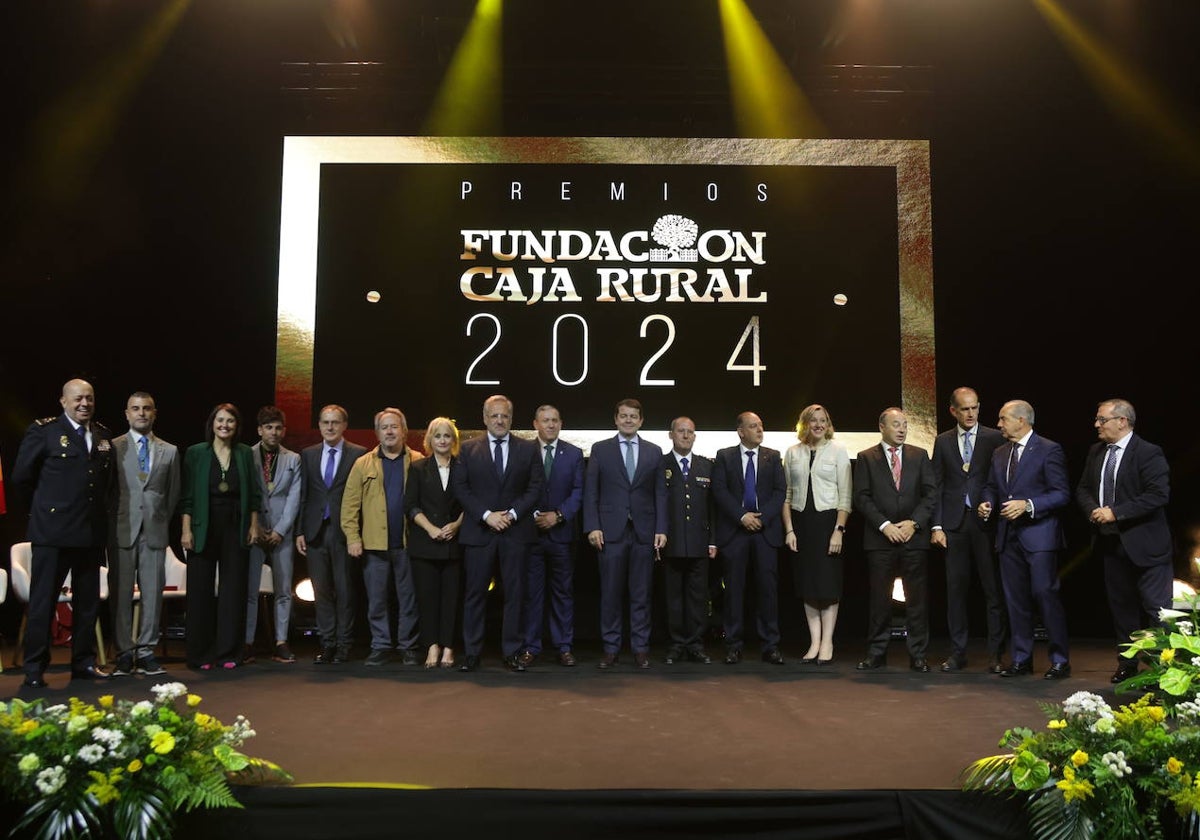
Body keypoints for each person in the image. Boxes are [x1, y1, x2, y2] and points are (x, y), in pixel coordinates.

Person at [13, 378, 116, 687]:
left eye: (89, 398)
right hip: (53, 534)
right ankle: (34, 669)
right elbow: (21, 478)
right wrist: (44, 512)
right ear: (63, 401)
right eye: (77, 399)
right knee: (43, 603)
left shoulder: (102, 435)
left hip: (89, 533)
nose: (84, 403)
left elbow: (107, 483)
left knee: (87, 604)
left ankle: (83, 663)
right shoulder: (44, 432)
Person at [1075, 399, 1172, 684]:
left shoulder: (1148, 453)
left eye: (1101, 419)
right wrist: (1093, 510)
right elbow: (1081, 489)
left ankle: (1161, 669)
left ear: (1122, 421)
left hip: (1147, 547)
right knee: (1122, 611)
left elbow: (1158, 495)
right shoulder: (1096, 452)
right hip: (1110, 546)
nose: (1096, 425)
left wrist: (1115, 513)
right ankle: (1127, 664)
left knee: (1157, 610)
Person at [979, 399, 1072, 680]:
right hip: (1008, 537)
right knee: (1015, 600)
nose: (998, 424)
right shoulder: (999, 453)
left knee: (1045, 595)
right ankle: (1021, 658)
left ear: (1021, 420)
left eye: (1003, 418)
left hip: (1039, 536)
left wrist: (1028, 504)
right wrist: (987, 503)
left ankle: (1059, 660)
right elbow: (991, 488)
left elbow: (1061, 493)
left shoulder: (1048, 449)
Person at [450, 395, 543, 672]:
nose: (499, 420)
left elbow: (535, 489)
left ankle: (512, 651)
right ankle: (472, 653)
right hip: (479, 532)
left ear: (511, 419)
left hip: (516, 532)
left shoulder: (528, 449)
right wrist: (487, 515)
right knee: (474, 594)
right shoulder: (467, 449)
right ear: (485, 418)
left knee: (515, 594)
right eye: (494, 416)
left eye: (504, 416)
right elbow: (461, 488)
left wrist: (511, 514)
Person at [583, 398, 667, 670]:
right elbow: (591, 492)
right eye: (624, 416)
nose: (628, 420)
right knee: (610, 594)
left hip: (643, 532)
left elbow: (660, 494)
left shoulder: (654, 452)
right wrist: (592, 526)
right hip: (609, 532)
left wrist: (661, 529)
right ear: (616, 419)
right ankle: (611, 648)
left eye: (633, 416)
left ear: (641, 421)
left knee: (641, 594)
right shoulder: (600, 449)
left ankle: (640, 649)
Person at [853, 407, 937, 672]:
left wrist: (914, 523)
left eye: (904, 424)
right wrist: (885, 525)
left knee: (916, 600)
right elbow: (861, 497)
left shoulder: (920, 455)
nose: (902, 429)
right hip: (881, 540)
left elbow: (930, 494)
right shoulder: (866, 457)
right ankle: (877, 653)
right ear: (882, 427)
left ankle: (918, 655)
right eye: (896, 424)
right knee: (880, 600)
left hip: (914, 537)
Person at [930, 388, 1007, 673]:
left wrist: (991, 504)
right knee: (956, 591)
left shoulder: (994, 438)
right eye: (964, 409)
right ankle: (957, 652)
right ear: (953, 411)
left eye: (975, 408)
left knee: (992, 591)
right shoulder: (943, 441)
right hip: (954, 525)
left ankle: (996, 655)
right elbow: (936, 485)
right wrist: (936, 525)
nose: (971, 414)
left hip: (985, 523)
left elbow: (1001, 481)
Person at [180, 403, 261, 670]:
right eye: (220, 420)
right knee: (200, 592)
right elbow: (188, 497)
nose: (224, 425)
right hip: (203, 526)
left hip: (235, 526)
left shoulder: (245, 453)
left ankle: (229, 652)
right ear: (212, 423)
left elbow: (254, 496)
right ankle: (201, 654)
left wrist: (253, 526)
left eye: (230, 421)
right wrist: (186, 529)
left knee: (233, 590)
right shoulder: (195, 453)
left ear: (237, 426)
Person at [341, 408, 423, 667]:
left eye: (394, 426)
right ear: (377, 432)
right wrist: (353, 537)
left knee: (408, 600)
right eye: (384, 427)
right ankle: (380, 646)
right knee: (376, 600)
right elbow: (349, 506)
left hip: (409, 544)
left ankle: (408, 647)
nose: (389, 431)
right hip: (374, 545)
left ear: (404, 431)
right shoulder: (362, 464)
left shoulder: (419, 461)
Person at [109, 391, 181, 677]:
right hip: (121, 529)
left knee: (152, 593)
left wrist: (159, 518)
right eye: (135, 408)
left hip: (154, 529)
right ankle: (124, 652)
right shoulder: (112, 447)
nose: (141, 413)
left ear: (154, 413)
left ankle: (147, 650)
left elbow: (173, 493)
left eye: (147, 408)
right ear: (126, 413)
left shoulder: (170, 450)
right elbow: (108, 492)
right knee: (121, 593)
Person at [712, 411, 787, 665]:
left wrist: (761, 518)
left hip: (765, 533)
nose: (759, 430)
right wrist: (742, 516)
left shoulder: (773, 457)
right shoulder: (724, 456)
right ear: (741, 431)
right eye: (753, 426)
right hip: (735, 533)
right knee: (733, 591)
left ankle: (770, 645)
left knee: (768, 590)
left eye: (761, 425)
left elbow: (780, 492)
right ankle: (733, 645)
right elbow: (719, 490)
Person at [296, 405, 367, 664]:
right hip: (315, 531)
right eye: (325, 422)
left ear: (344, 425)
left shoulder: (358, 454)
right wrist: (300, 530)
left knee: (346, 590)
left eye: (335, 422)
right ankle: (327, 644)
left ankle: (345, 644)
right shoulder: (309, 454)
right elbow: (304, 495)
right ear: (319, 424)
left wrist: (356, 533)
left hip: (344, 531)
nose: (330, 427)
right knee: (321, 591)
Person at [782, 404, 851, 666]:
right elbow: (787, 496)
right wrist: (789, 529)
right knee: (808, 586)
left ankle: (827, 642)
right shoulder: (792, 452)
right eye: (814, 421)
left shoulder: (838, 451)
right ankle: (814, 642)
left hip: (828, 523)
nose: (819, 425)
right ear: (805, 424)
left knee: (828, 586)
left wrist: (839, 530)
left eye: (823, 420)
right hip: (802, 523)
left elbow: (845, 495)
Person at [520, 405, 584, 667]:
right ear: (535, 423)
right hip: (531, 534)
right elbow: (518, 488)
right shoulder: (524, 452)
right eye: (545, 421)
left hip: (562, 534)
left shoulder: (574, 453)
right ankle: (530, 647)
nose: (550, 425)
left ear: (561, 423)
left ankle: (563, 647)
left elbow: (579, 491)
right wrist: (535, 514)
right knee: (532, 594)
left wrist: (557, 515)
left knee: (563, 593)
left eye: (555, 420)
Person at [244, 406, 302, 664]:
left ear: (284, 430)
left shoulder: (293, 459)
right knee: (250, 589)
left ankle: (281, 641)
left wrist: (281, 529)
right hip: (254, 530)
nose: (274, 432)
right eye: (269, 427)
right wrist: (253, 525)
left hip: (282, 531)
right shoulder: (247, 455)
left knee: (283, 590)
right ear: (259, 430)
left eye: (278, 427)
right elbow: (246, 493)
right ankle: (247, 642)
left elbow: (294, 497)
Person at [407, 417, 465, 669]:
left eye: (447, 436)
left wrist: (457, 525)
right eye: (437, 435)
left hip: (455, 544)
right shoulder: (418, 468)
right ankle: (431, 646)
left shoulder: (463, 467)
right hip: (425, 544)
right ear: (429, 439)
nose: (442, 440)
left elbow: (470, 502)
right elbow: (410, 505)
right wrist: (430, 529)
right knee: (427, 598)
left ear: (453, 440)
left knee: (452, 599)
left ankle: (449, 648)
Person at [659, 416, 715, 665]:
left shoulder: (706, 466)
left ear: (695, 436)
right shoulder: (660, 464)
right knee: (673, 597)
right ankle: (676, 644)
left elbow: (713, 508)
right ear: (671, 435)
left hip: (699, 543)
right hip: (671, 543)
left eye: (690, 432)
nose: (685, 435)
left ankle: (695, 644)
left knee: (697, 597)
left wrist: (713, 540)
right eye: (680, 431)